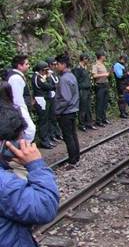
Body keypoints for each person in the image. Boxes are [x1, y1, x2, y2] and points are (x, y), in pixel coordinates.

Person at [0, 93, 59, 245]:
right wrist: (36, 165)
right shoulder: (5, 184)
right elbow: (44, 207)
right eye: (19, 139)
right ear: (5, 144)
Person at [54, 54, 81, 168]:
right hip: (73, 109)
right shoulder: (72, 76)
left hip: (66, 111)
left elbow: (65, 98)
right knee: (73, 135)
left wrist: (57, 110)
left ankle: (72, 160)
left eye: (57, 64)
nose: (56, 67)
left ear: (63, 64)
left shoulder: (64, 79)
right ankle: (76, 156)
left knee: (68, 136)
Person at [6, 55, 36, 142]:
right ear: (19, 66)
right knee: (30, 130)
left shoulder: (18, 76)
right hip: (19, 110)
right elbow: (17, 100)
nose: (28, 66)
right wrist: (23, 112)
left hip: (19, 109)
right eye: (26, 64)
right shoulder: (15, 78)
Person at [31, 61, 56, 149]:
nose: (47, 72)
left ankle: (48, 138)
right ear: (41, 70)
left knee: (47, 120)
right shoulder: (38, 77)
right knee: (43, 122)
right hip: (41, 101)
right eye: (46, 70)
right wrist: (49, 78)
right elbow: (49, 86)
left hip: (44, 100)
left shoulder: (40, 76)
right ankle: (44, 141)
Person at [73, 53, 97, 132]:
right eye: (86, 59)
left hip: (87, 89)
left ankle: (89, 122)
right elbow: (76, 80)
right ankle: (81, 124)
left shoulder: (85, 68)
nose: (87, 61)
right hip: (82, 89)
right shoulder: (78, 68)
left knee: (88, 107)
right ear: (83, 59)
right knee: (82, 107)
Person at [46, 57, 62, 143]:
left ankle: (57, 133)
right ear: (49, 65)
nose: (55, 66)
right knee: (51, 117)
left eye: (56, 64)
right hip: (51, 98)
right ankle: (52, 135)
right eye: (53, 64)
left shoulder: (55, 74)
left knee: (57, 117)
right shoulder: (47, 74)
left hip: (57, 97)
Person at [92, 50, 111, 127]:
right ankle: (98, 120)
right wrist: (104, 74)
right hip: (99, 86)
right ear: (101, 56)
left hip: (105, 84)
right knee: (99, 103)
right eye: (104, 55)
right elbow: (94, 75)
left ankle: (104, 118)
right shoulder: (95, 65)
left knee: (105, 103)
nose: (105, 57)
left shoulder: (103, 64)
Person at [113, 54, 129, 119]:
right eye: (125, 59)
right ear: (122, 59)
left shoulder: (123, 65)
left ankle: (124, 111)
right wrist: (127, 74)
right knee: (121, 98)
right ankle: (122, 113)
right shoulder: (117, 65)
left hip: (125, 84)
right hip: (120, 84)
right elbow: (119, 76)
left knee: (125, 98)